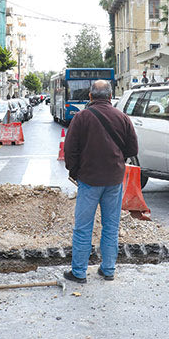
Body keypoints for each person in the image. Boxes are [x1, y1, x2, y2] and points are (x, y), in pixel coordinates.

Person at [63, 80, 138, 283]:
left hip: (89, 180)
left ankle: (79, 273)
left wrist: (75, 171)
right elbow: (132, 150)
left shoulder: (81, 118)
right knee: (111, 226)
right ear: (111, 96)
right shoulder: (122, 118)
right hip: (114, 181)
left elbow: (70, 150)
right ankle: (108, 269)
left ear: (90, 96)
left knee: (83, 228)